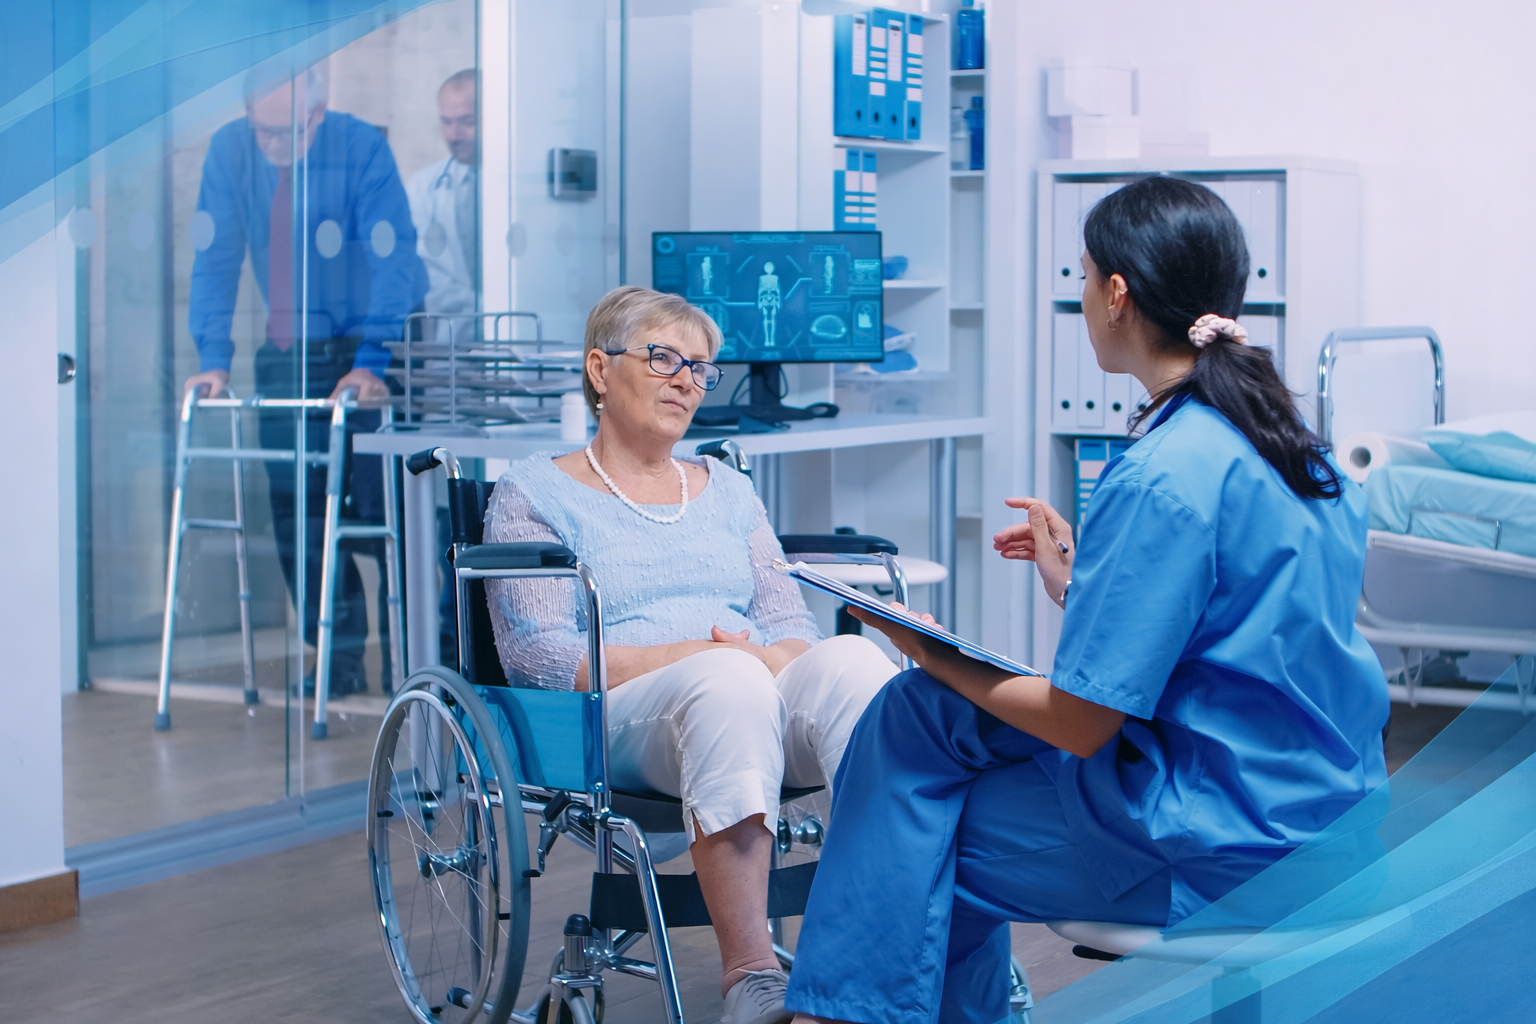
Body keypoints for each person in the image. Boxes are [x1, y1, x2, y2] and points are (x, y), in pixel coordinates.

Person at [784, 175, 1390, 1024]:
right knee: (919, 716)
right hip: (1323, 811)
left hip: (1222, 836)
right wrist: (1076, 584)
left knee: (912, 839)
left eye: (1080, 278)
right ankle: (843, 1010)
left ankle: (842, 1011)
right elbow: (1243, 634)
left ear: (1117, 295)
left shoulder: (1162, 471)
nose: (1078, 297)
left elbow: (1080, 723)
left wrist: (932, 650)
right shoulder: (1298, 452)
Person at [484, 286, 899, 1024]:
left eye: (700, 367)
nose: (686, 379)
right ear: (600, 370)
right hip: (617, 717)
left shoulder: (731, 490)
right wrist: (696, 655)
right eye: (663, 357)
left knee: (856, 665)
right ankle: (751, 976)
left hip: (737, 689)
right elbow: (542, 657)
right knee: (727, 676)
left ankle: (875, 961)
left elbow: (783, 617)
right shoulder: (533, 492)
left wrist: (782, 659)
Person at [184, 63, 428, 696]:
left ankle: (409, 666)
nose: (275, 146)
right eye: (263, 131)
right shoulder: (229, 152)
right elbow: (215, 258)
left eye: (289, 130)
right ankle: (337, 660)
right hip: (288, 348)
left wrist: (374, 362)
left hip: (370, 344)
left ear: (318, 113)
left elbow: (394, 258)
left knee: (379, 514)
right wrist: (213, 357)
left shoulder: (360, 147)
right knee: (299, 515)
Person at [405, 68, 479, 319]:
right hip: (450, 341)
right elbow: (428, 276)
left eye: (468, 122)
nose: (454, 135)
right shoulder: (422, 188)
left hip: (518, 331)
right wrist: (483, 305)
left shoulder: (516, 186)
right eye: (446, 122)